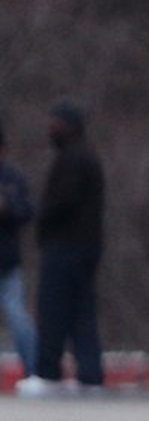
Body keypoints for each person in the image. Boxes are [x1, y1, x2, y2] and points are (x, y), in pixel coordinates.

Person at [27, 100, 104, 394]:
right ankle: (91, 373)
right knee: (83, 311)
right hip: (87, 246)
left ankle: (48, 372)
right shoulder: (89, 156)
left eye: (54, 125)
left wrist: (42, 219)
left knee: (54, 310)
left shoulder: (72, 159)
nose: (50, 131)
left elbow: (61, 202)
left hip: (66, 246)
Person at [0, 118, 33, 377]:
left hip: (7, 262)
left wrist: (7, 208)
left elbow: (28, 212)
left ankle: (34, 370)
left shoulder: (13, 177)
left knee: (19, 317)